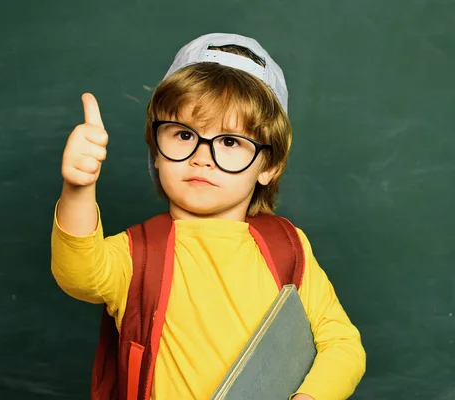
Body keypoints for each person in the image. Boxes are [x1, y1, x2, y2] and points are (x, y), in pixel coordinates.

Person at [52, 33, 366, 399]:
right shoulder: (139, 254)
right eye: (184, 135)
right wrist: (78, 188)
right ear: (156, 150)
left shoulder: (288, 248)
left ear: (270, 165)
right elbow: (79, 275)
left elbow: (341, 343)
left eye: (230, 141)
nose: (202, 156)